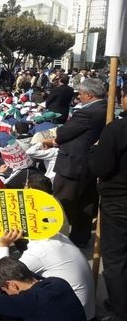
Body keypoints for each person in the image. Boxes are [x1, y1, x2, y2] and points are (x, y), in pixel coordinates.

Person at [46, 78, 106, 247]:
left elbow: (65, 133)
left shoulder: (88, 112)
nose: (79, 98)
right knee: (86, 203)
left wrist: (57, 137)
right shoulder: (105, 109)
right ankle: (80, 238)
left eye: (80, 95)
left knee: (63, 202)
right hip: (88, 163)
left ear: (89, 94)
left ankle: (57, 238)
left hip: (73, 164)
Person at [89, 82, 127, 321]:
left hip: (119, 203)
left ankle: (120, 309)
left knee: (115, 258)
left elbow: (100, 167)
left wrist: (95, 151)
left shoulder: (116, 130)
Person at [0, 229, 95, 320]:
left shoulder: (37, 253)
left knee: (4, 294)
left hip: (72, 314)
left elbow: (4, 273)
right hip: (83, 310)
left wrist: (3, 245)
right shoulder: (58, 236)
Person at [0, 257, 86, 321]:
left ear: (12, 285)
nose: (7, 294)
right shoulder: (58, 282)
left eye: (6, 291)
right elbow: (32, 275)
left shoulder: (27, 302)